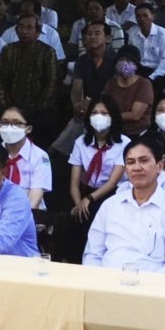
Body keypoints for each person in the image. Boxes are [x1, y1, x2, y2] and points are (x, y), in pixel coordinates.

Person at [82, 133, 165, 273]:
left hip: (150, 290)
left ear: (159, 166)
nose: (137, 167)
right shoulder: (110, 206)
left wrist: (145, 289)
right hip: (106, 286)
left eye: (143, 161)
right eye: (131, 162)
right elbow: (92, 255)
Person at [68, 97, 129, 232]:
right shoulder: (80, 142)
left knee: (96, 216)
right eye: (94, 113)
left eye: (104, 113)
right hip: (85, 190)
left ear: (113, 117)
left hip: (112, 193)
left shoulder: (124, 144)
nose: (98, 117)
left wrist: (89, 199)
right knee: (76, 217)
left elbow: (112, 183)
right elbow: (74, 183)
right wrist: (79, 204)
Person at [0, 106, 51, 209]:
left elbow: (35, 198)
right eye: (4, 122)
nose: (9, 127)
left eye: (16, 123)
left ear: (28, 129)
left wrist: (19, 219)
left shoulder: (40, 156)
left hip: (29, 214)